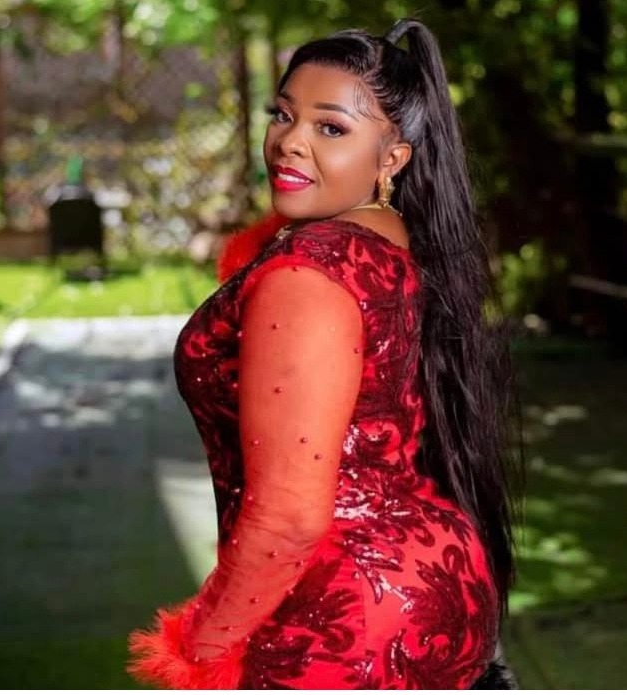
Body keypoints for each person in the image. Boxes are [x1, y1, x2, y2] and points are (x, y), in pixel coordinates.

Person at [128, 17, 522, 689]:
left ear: (392, 158)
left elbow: (288, 515)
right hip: (437, 577)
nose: (289, 142)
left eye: (330, 128)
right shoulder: (386, 236)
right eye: (283, 115)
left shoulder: (306, 274)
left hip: (342, 614)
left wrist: (198, 649)